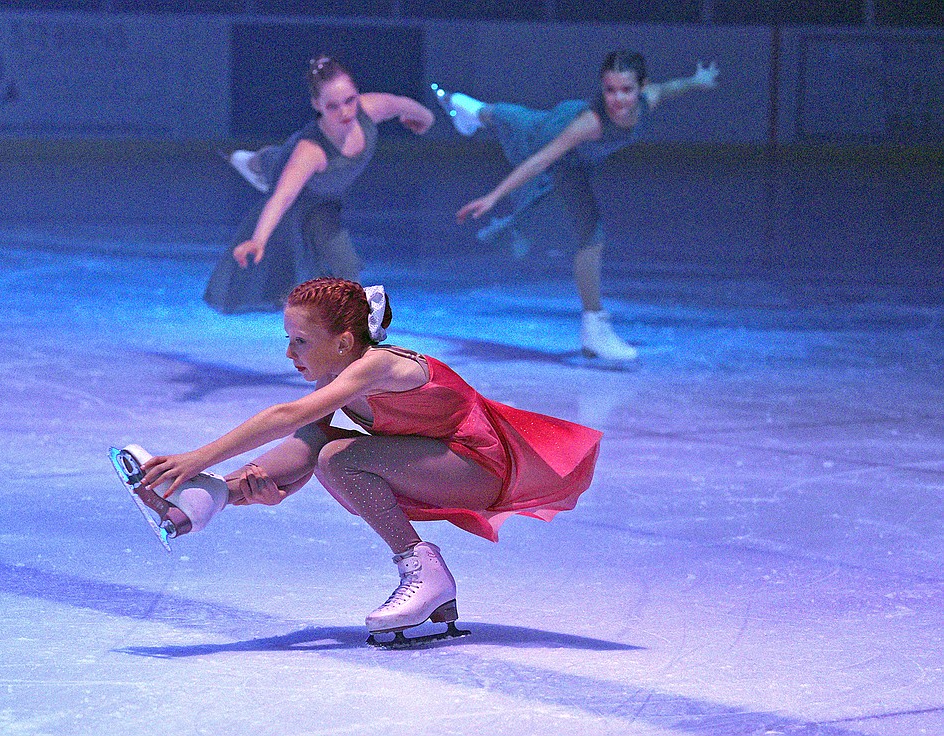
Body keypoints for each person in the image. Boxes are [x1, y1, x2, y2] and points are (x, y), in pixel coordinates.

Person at [135, 277, 602, 643]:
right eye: (288, 338)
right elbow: (305, 442)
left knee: (341, 456)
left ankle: (425, 571)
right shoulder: (344, 372)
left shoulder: (379, 365)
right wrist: (257, 487)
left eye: (300, 340)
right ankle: (207, 499)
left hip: (477, 467)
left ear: (342, 342)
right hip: (436, 463)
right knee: (322, 439)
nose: (288, 352)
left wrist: (196, 457)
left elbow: (285, 415)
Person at [436, 50, 719, 361]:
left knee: (522, 120)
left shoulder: (647, 100)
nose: (617, 99)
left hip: (569, 147)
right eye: (609, 90)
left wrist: (697, 80)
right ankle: (595, 328)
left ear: (642, 87)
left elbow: (669, 88)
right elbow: (540, 160)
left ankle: (469, 108)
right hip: (562, 150)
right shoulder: (591, 123)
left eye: (626, 90)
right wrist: (494, 196)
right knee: (528, 128)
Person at [203, 56, 435, 314]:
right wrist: (257, 240)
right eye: (333, 106)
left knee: (347, 266)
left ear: (357, 93)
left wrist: (426, 120)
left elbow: (402, 104)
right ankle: (247, 161)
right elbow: (282, 198)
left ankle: (353, 325)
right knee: (270, 165)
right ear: (317, 105)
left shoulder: (369, 109)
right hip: (300, 193)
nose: (345, 112)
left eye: (350, 100)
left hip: (323, 197)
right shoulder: (310, 151)